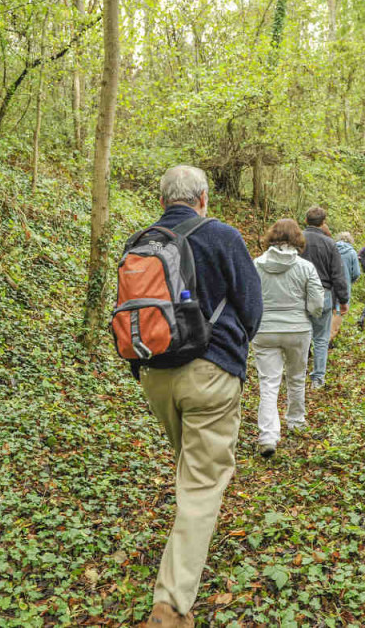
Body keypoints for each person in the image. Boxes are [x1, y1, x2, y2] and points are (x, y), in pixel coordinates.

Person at [134, 165, 263, 628]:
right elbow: (251, 306)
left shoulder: (140, 241)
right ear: (203, 198)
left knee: (189, 466)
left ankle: (179, 553)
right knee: (202, 484)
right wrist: (232, 351)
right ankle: (170, 606)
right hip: (211, 373)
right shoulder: (223, 236)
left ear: (163, 199)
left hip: (154, 374)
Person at [252, 219, 324, 457]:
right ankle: (296, 421)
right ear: (298, 239)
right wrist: (308, 314)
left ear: (271, 237)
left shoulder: (257, 265)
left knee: (268, 382)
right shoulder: (305, 267)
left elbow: (249, 299)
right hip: (297, 329)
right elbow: (316, 304)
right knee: (295, 377)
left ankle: (268, 435)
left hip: (264, 330)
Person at [299, 206, 349, 389]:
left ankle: (297, 374)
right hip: (324, 294)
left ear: (306, 221)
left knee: (301, 335)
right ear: (323, 223)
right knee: (321, 338)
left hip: (300, 294)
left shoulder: (298, 240)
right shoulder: (330, 244)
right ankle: (317, 379)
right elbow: (338, 275)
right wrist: (343, 300)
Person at [330, 231, 361, 343]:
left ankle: (331, 335)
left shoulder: (331, 250)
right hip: (344, 285)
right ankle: (331, 337)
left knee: (330, 310)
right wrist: (349, 280)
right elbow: (356, 273)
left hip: (330, 285)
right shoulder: (352, 253)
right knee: (339, 311)